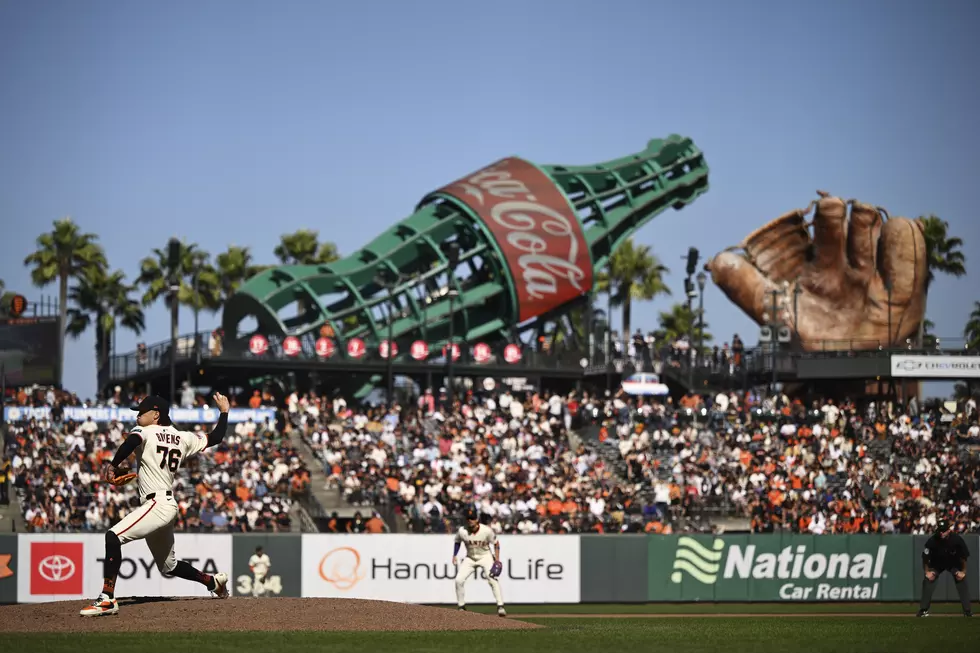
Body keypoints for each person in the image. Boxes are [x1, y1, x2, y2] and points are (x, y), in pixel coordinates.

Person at [79, 394, 232, 617]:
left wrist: (112, 465)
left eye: (142, 411)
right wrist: (224, 412)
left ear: (156, 414)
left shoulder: (147, 431)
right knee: (168, 566)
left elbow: (130, 442)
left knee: (113, 536)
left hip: (157, 503)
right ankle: (212, 582)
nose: (138, 415)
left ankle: (107, 598)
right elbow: (216, 437)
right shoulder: (183, 437)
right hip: (166, 504)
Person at [452, 507, 506, 617]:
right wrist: (454, 555)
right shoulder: (462, 531)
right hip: (470, 558)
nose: (470, 521)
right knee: (458, 580)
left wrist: (497, 559)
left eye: (472, 518)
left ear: (477, 519)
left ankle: (500, 606)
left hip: (485, 556)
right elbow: (457, 541)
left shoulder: (486, 530)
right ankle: (461, 607)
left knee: (492, 579)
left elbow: (496, 543)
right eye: (468, 518)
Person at [917, 519, 973, 617]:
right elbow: (925, 558)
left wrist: (963, 571)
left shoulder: (957, 540)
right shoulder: (933, 540)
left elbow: (963, 557)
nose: (941, 533)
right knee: (928, 579)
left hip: (953, 564)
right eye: (940, 530)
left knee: (961, 579)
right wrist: (927, 572)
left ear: (949, 530)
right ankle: (923, 610)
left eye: (944, 530)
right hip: (937, 564)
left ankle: (967, 611)